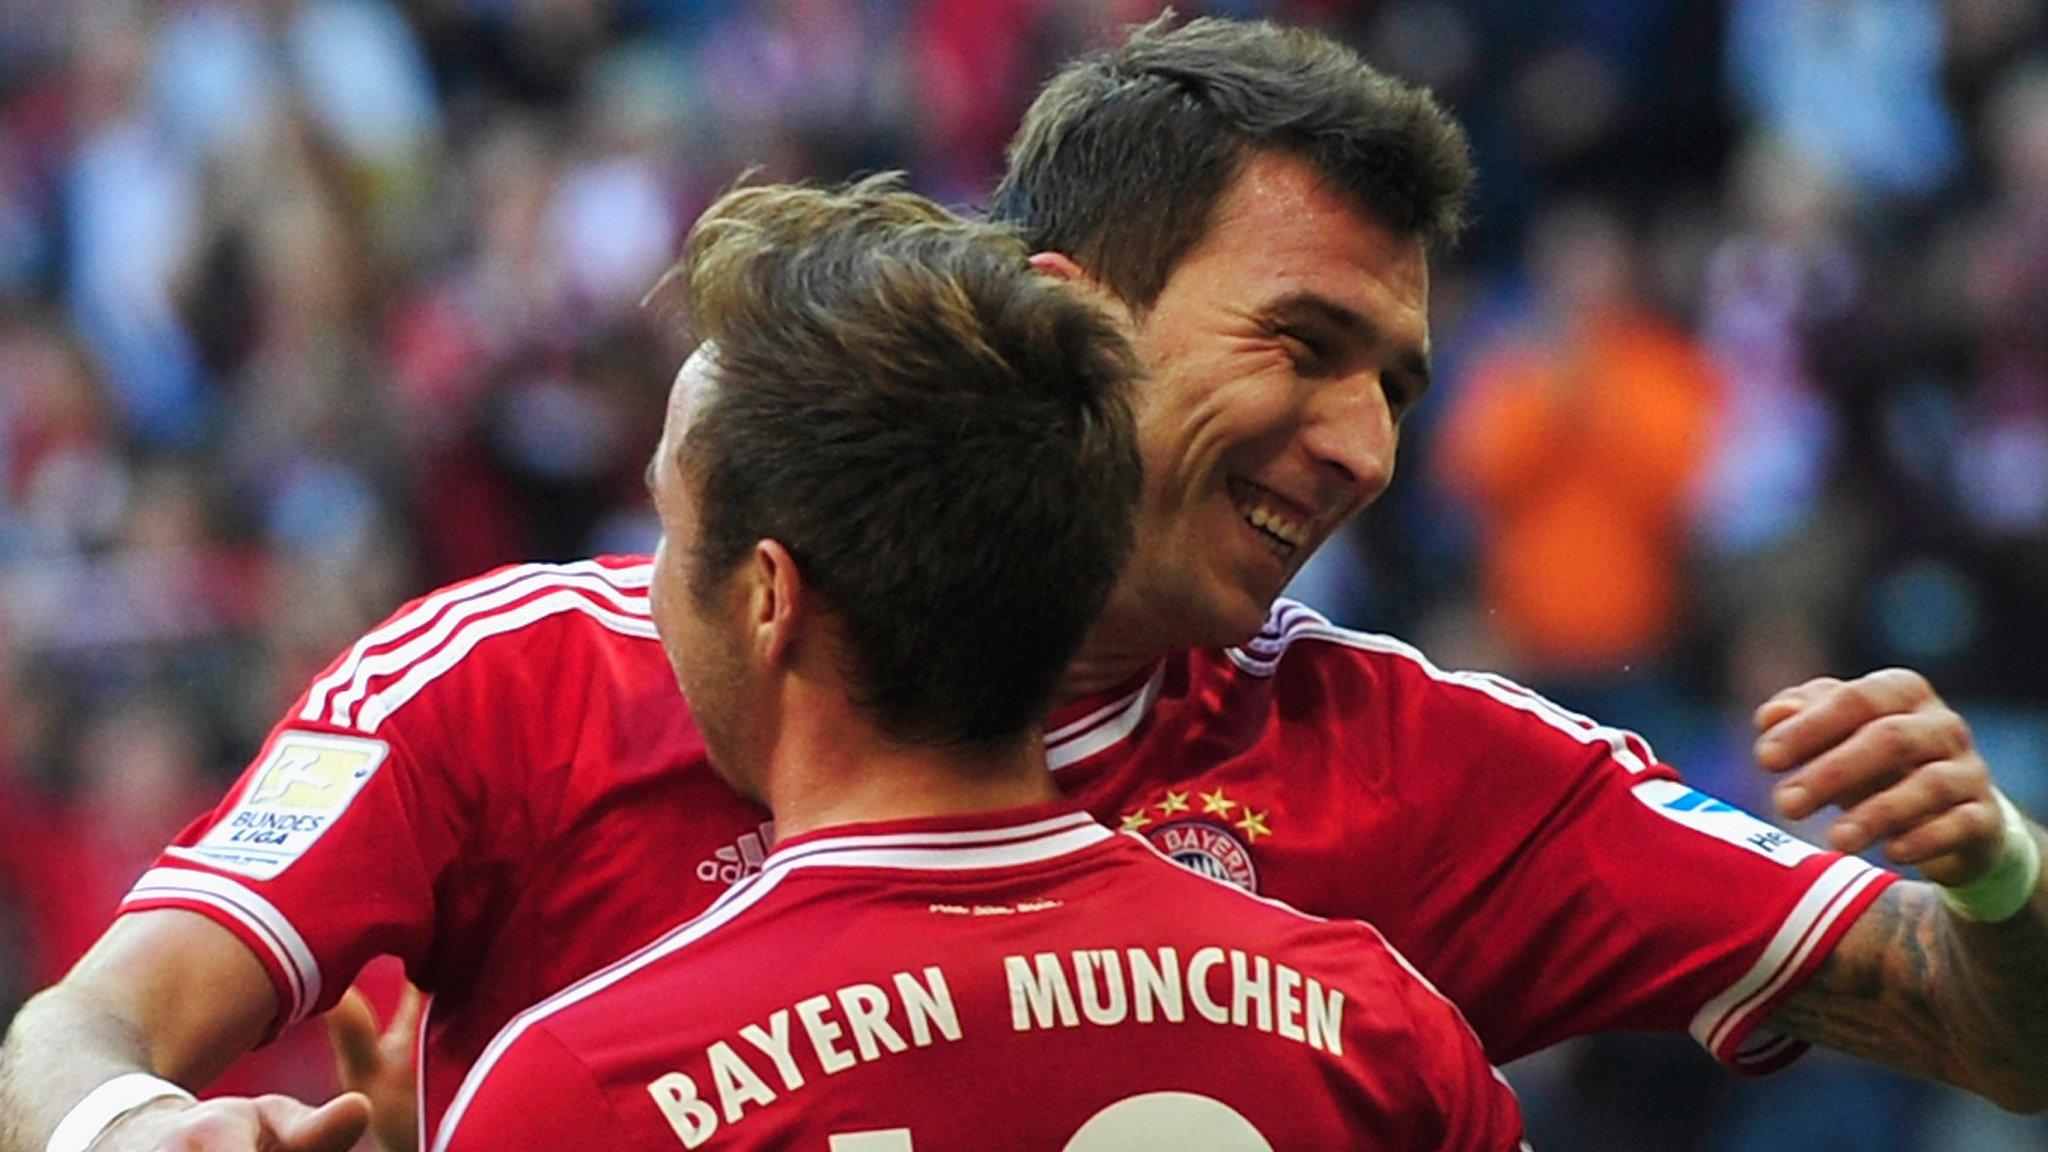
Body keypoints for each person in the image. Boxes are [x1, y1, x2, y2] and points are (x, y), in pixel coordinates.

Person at [2, 14, 2042, 1152]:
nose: (1364, 448)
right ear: (1072, 316)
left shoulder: (1422, 765)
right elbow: (77, 1038)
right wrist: (139, 1139)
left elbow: (1996, 1034)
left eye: (1399, 383)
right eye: (1302, 345)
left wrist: (2003, 884)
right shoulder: (519, 681)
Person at [432, 177, 1525, 1152]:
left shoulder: (591, 1091)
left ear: (769, 599)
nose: (652, 582)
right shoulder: (1376, 1030)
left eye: (672, 529)